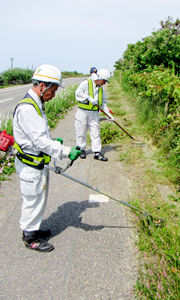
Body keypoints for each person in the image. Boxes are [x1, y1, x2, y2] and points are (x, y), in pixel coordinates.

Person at [13, 64, 81, 252]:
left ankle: (33, 228)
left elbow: (38, 137)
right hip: (30, 164)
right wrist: (66, 150)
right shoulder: (28, 108)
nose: (55, 93)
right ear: (42, 86)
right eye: (54, 89)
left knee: (39, 197)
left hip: (37, 161)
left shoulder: (36, 103)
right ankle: (30, 238)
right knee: (32, 199)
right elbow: (40, 141)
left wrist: (52, 141)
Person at [75, 69, 114, 161]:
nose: (104, 84)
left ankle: (97, 152)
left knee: (96, 132)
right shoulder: (86, 83)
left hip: (94, 113)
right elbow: (78, 93)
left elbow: (103, 103)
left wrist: (109, 115)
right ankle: (81, 149)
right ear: (100, 79)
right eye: (104, 81)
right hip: (83, 112)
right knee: (81, 131)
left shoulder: (100, 88)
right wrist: (88, 98)